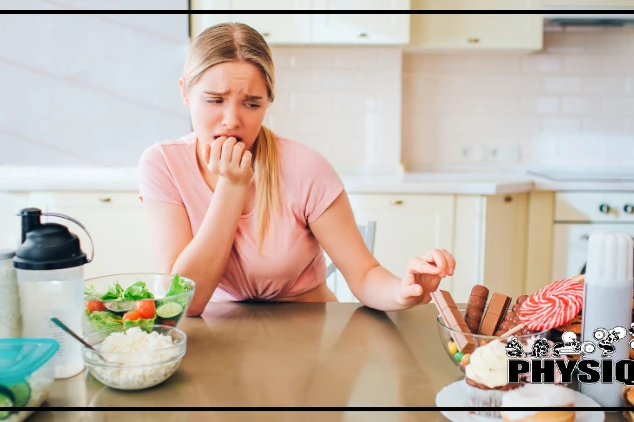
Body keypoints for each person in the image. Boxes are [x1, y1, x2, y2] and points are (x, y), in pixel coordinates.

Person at [138, 22, 456, 317]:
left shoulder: (305, 167)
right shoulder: (163, 164)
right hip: (219, 334)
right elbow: (184, 303)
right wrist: (231, 187)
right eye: (214, 100)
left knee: (507, 369)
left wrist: (403, 291)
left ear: (267, 102)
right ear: (185, 92)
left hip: (312, 330)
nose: (231, 120)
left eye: (251, 104)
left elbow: (363, 273)